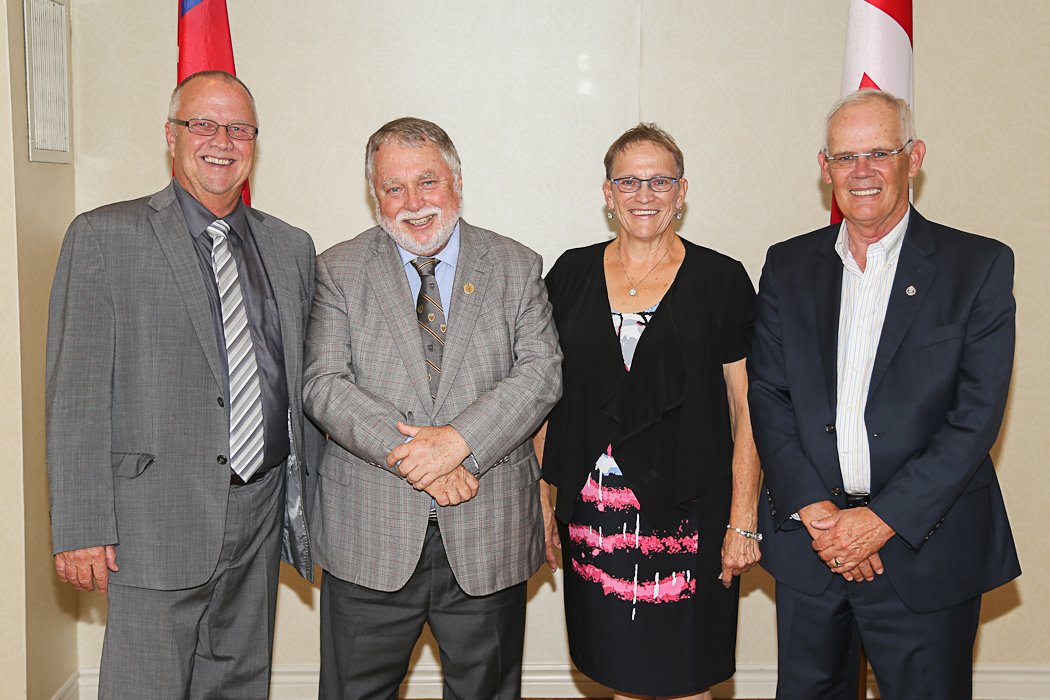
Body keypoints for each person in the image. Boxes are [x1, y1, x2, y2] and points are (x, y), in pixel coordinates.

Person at [45, 70, 319, 699]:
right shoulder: (103, 237)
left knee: (239, 680)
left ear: (254, 142)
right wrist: (82, 525)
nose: (221, 140)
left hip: (260, 506)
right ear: (171, 137)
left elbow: (300, 381)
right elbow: (76, 396)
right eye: (202, 124)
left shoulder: (289, 247)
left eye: (239, 128)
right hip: (152, 516)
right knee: (146, 685)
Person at [748, 89, 1021, 700]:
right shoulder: (788, 266)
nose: (862, 171)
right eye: (845, 157)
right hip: (811, 547)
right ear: (825, 168)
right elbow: (769, 394)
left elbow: (974, 418)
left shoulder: (976, 266)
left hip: (926, 549)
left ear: (914, 157)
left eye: (880, 152)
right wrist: (820, 515)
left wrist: (879, 522)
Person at [303, 117, 562, 700]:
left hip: (487, 531)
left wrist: (457, 442)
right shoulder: (338, 269)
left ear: (458, 181)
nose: (413, 203)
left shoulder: (516, 265)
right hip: (368, 536)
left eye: (428, 181)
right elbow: (323, 383)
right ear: (375, 195)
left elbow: (541, 373)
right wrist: (418, 458)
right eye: (393, 188)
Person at [536, 123, 761, 700]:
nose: (644, 194)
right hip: (596, 515)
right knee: (619, 673)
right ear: (607, 194)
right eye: (628, 181)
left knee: (683, 675)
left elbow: (748, 408)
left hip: (692, 513)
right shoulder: (568, 274)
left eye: (659, 180)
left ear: (681, 191)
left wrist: (742, 519)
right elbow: (543, 397)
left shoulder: (721, 278)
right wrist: (540, 496)